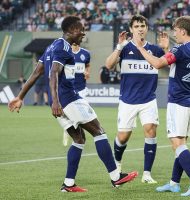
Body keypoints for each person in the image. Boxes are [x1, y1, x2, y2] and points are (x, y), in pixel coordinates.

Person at [8, 16, 138, 192]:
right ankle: (116, 177)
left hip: (61, 101)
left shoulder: (53, 45)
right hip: (68, 98)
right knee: (99, 132)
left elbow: (36, 72)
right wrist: (55, 101)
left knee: (79, 139)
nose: (83, 33)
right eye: (80, 29)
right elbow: (53, 73)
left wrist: (20, 96)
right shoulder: (63, 48)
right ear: (70, 30)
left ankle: (68, 184)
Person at [136, 16, 190, 196]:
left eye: (175, 30)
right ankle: (174, 183)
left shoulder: (181, 49)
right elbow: (178, 65)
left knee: (177, 145)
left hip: (178, 102)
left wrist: (139, 48)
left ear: (183, 31)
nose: (174, 33)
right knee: (181, 144)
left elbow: (158, 64)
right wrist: (166, 49)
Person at [105, 15, 168, 184]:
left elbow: (170, 64)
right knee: (123, 137)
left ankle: (147, 174)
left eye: (143, 25)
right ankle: (117, 163)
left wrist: (166, 48)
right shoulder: (124, 48)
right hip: (127, 100)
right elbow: (108, 65)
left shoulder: (155, 49)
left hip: (148, 99)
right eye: (137, 26)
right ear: (131, 29)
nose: (140, 28)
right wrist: (119, 46)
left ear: (147, 28)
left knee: (151, 131)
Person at [62, 43, 91, 146]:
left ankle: (79, 137)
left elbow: (87, 66)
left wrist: (87, 72)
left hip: (82, 89)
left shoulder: (85, 53)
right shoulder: (66, 52)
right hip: (70, 89)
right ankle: (68, 132)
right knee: (71, 115)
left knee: (83, 115)